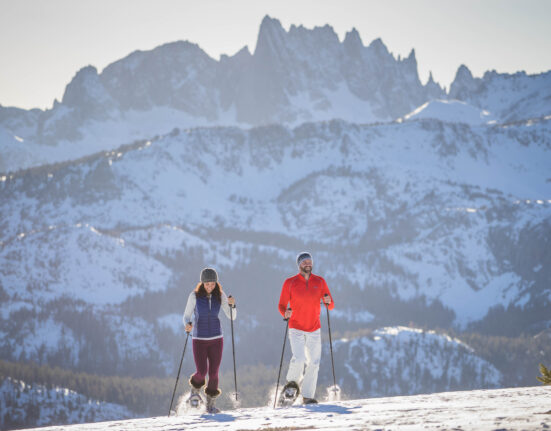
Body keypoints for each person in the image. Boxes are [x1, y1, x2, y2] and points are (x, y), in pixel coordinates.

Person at [277, 252, 334, 404]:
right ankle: (291, 386)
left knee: (314, 362)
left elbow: (330, 305)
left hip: (314, 328)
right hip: (295, 327)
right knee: (299, 358)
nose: (308, 264)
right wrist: (285, 313)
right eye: (304, 262)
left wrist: (328, 301)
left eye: (309, 261)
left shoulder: (320, 281)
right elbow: (281, 305)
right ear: (299, 265)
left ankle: (307, 396)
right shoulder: (290, 282)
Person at [183, 267, 236, 413]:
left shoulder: (220, 295)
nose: (210, 287)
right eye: (207, 284)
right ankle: (195, 390)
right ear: (202, 283)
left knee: (214, 373)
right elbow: (186, 316)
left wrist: (232, 305)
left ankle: (210, 405)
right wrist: (187, 325)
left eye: (212, 284)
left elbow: (232, 316)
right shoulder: (194, 296)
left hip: (216, 339)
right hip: (199, 339)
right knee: (201, 371)